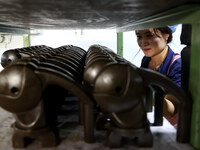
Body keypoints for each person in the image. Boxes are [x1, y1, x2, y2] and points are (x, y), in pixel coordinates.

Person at [135, 25, 181, 127]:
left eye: (149, 35)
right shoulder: (147, 60)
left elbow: (172, 110)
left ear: (166, 36)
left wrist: (147, 94)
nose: (143, 42)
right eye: (139, 36)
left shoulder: (177, 65)